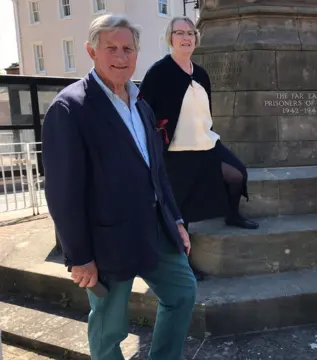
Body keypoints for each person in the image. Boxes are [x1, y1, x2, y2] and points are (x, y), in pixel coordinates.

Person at [42, 14, 196, 360]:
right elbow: (63, 192)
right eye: (111, 47)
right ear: (91, 51)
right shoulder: (70, 108)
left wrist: (175, 220)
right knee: (109, 328)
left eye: (128, 48)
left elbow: (157, 171)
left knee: (183, 293)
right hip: (106, 239)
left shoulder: (140, 102)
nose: (121, 56)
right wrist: (79, 256)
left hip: (155, 228)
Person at [139, 17, 258, 236]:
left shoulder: (201, 73)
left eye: (191, 33)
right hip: (176, 150)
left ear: (196, 38)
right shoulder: (159, 72)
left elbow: (205, 111)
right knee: (181, 211)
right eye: (180, 33)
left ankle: (232, 214)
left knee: (237, 174)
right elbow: (142, 110)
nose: (186, 38)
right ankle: (186, 263)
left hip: (207, 143)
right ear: (170, 38)